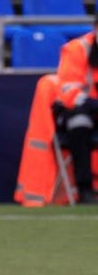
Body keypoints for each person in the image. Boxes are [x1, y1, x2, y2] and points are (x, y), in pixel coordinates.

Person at [50, 15, 98, 203]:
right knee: (79, 122)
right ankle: (85, 189)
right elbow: (70, 93)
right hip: (77, 110)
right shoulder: (76, 49)